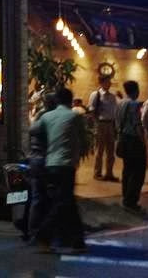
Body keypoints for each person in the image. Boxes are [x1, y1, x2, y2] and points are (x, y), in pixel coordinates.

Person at [31, 86, 87, 253]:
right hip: (66, 165)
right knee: (62, 203)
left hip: (50, 164)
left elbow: (33, 130)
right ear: (70, 100)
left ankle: (78, 241)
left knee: (67, 202)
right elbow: (83, 140)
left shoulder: (47, 116)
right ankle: (43, 236)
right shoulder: (74, 116)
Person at [27, 92, 58, 240]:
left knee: (38, 197)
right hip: (44, 160)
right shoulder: (49, 117)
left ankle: (35, 231)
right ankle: (40, 232)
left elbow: (32, 131)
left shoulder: (40, 115)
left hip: (35, 159)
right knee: (45, 197)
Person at [117, 80, 146, 213]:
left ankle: (126, 197)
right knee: (138, 171)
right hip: (134, 140)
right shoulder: (134, 104)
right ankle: (131, 201)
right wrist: (143, 141)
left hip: (123, 138)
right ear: (136, 90)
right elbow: (137, 125)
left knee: (127, 169)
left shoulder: (120, 103)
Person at [88, 75, 118, 181]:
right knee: (99, 150)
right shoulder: (95, 94)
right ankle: (97, 173)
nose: (109, 83)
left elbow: (115, 110)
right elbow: (91, 110)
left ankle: (109, 173)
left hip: (110, 123)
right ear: (101, 82)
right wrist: (96, 123)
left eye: (110, 81)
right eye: (107, 81)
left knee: (111, 150)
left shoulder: (112, 96)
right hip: (100, 123)